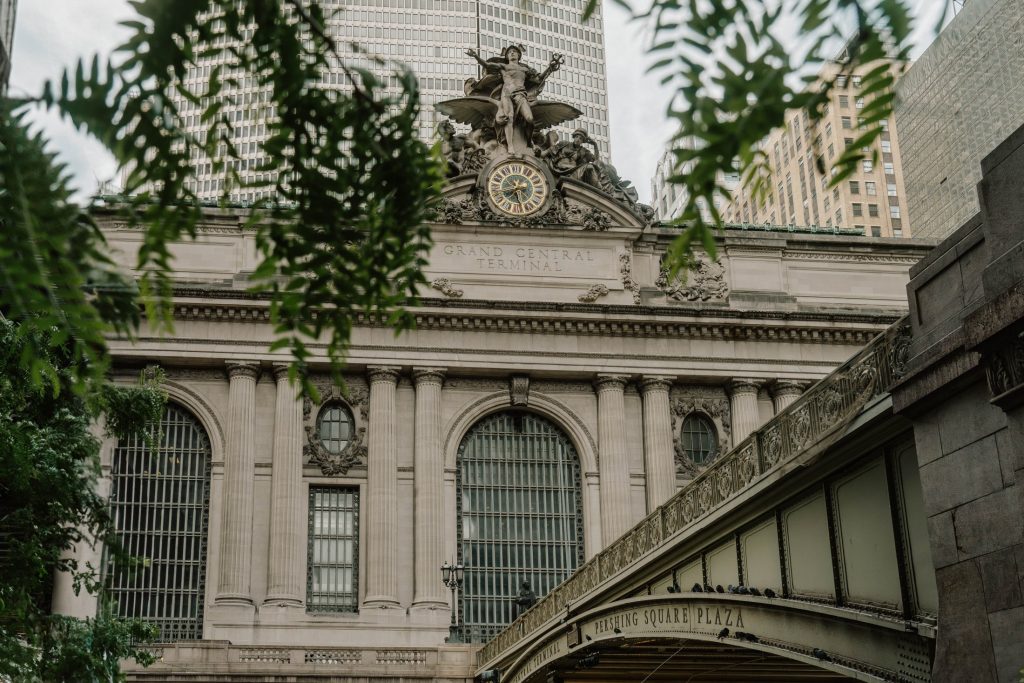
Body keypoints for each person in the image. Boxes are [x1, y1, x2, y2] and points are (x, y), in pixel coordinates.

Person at [465, 45, 561, 154]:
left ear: (519, 55)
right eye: (510, 52)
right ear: (506, 56)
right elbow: (487, 65)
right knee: (508, 118)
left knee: (529, 119)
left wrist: (550, 68)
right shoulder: (503, 67)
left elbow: (539, 79)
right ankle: (510, 146)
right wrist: (475, 56)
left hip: (520, 94)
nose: (512, 53)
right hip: (506, 94)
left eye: (514, 51)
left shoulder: (525, 69)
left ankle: (529, 141)